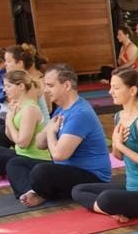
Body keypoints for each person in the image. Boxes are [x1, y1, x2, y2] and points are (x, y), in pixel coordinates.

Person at [71, 69, 138, 222]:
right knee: (78, 190)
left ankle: (111, 208)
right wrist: (117, 145)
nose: (110, 92)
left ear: (132, 90)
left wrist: (119, 144)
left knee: (106, 198)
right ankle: (112, 211)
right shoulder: (119, 116)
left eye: (116, 88)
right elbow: (118, 156)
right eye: (111, 87)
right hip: (132, 186)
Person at [7, 65, 111, 207]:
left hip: (92, 177)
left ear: (67, 85)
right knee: (16, 163)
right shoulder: (61, 109)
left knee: (41, 171)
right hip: (66, 169)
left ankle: (42, 193)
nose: (45, 90)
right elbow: (40, 143)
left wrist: (50, 132)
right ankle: (32, 192)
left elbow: (58, 155)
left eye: (50, 86)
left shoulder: (79, 113)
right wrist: (49, 132)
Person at [0, 70, 50, 181]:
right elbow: (10, 137)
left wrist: (9, 121)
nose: (4, 89)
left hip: (33, 159)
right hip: (21, 154)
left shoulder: (30, 109)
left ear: (21, 86)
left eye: (8, 86)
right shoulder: (19, 106)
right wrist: (10, 118)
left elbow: (23, 143)